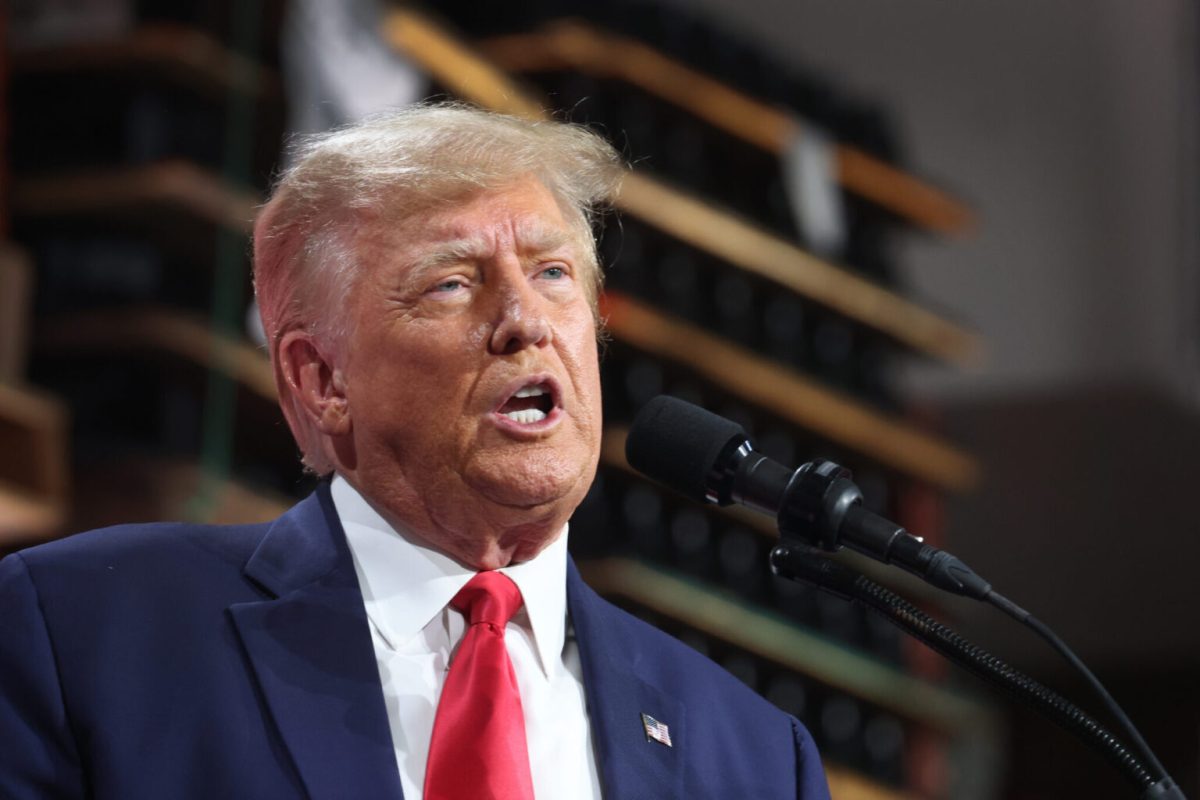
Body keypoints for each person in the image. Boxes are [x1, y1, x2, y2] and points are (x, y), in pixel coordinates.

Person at [0, 104, 831, 799]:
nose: (526, 321)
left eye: (552, 274)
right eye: (453, 283)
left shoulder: (755, 759)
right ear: (322, 378)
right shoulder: (84, 634)